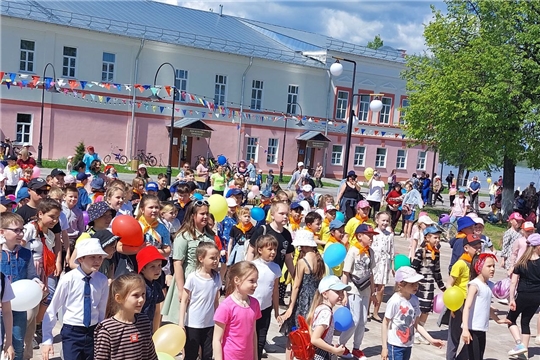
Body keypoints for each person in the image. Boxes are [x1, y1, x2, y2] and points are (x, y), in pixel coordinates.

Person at [41, 238, 109, 360]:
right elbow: (53, 309)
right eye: (92, 257)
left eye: (99, 257)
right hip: (72, 331)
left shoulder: (102, 280)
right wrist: (47, 339)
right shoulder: (68, 279)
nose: (97, 261)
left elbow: (101, 308)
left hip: (93, 331)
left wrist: (101, 330)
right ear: (81, 259)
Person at [161, 200, 214, 323]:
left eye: (207, 213)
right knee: (185, 319)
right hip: (188, 279)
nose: (205, 216)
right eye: (202, 214)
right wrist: (181, 290)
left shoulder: (210, 236)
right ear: (192, 215)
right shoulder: (184, 236)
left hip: (205, 279)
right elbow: (178, 263)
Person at [1, 213, 42, 360]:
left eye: (21, 230)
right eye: (15, 230)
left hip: (19, 306)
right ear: (2, 232)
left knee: (18, 344)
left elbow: (32, 275)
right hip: (1, 307)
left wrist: (37, 282)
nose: (20, 234)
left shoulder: (26, 253)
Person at [278, 230, 324, 360]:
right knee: (309, 334)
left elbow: (296, 286)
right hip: (316, 299)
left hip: (303, 300)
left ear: (303, 246)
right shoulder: (319, 259)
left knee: (294, 335)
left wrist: (290, 307)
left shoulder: (302, 262)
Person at [381, 266, 444, 360]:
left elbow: (416, 324)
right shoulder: (394, 301)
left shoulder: (414, 300)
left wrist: (431, 340)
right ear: (400, 285)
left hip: (408, 344)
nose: (416, 286)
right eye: (412, 284)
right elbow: (385, 323)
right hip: (395, 345)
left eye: (417, 283)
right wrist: (384, 347)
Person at [93, 273, 158, 360]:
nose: (142, 299)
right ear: (119, 298)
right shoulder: (107, 330)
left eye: (143, 294)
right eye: (136, 295)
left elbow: (151, 355)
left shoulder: (144, 322)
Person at [339, 224, 380, 360]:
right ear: (359, 236)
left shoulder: (370, 252)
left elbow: (371, 273)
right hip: (353, 289)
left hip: (366, 290)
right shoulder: (353, 251)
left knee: (363, 320)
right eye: (369, 236)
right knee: (354, 319)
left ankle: (357, 347)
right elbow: (345, 273)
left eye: (373, 236)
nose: (371, 238)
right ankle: (341, 345)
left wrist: (373, 292)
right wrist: (344, 292)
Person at [246, 201, 295, 307]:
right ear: (272, 215)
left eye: (287, 214)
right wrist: (247, 270)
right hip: (258, 275)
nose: (285, 217)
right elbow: (250, 250)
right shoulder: (263, 230)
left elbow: (288, 258)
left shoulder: (287, 234)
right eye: (281, 214)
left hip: (273, 276)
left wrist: (294, 275)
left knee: (267, 305)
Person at [461, 253, 509, 360]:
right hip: (473, 328)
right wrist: (465, 329)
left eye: (493, 266)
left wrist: (498, 320)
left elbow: (487, 306)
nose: (492, 269)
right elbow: (467, 307)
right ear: (479, 267)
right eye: (489, 266)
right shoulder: (475, 285)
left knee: (477, 356)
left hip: (481, 329)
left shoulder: (488, 285)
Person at [178, 242, 221, 360]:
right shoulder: (193, 277)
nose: (216, 261)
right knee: (191, 354)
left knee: (207, 354)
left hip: (210, 324)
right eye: (212, 258)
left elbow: (216, 301)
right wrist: (181, 322)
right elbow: (184, 300)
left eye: (217, 258)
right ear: (201, 258)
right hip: (193, 323)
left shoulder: (217, 277)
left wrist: (218, 319)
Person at [213, 261, 261, 360]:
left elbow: (253, 333)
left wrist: (255, 357)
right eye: (251, 281)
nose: (255, 285)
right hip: (230, 356)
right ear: (237, 280)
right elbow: (217, 339)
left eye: (256, 281)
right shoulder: (226, 307)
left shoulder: (255, 304)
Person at [445, 234, 482, 360]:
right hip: (460, 302)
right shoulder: (460, 264)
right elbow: (449, 284)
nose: (478, 249)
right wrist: (452, 306)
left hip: (472, 302)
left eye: (480, 246)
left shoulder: (478, 264)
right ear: (466, 248)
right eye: (475, 247)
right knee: (454, 335)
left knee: (473, 334)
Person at [410, 226, 446, 345]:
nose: (437, 240)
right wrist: (412, 284)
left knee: (426, 310)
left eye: (438, 238)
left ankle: (420, 332)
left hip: (429, 287)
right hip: (419, 286)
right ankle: (412, 332)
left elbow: (437, 271)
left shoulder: (436, 253)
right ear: (427, 238)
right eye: (435, 237)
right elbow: (413, 268)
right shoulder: (421, 252)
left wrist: (442, 287)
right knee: (416, 310)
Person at [251, 235, 281, 360]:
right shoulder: (252, 265)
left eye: (275, 249)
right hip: (250, 308)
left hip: (265, 309)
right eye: (269, 249)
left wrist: (277, 311)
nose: (273, 252)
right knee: (248, 337)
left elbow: (275, 290)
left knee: (261, 338)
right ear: (259, 250)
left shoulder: (276, 268)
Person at [308, 275, 350, 359]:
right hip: (320, 355)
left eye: (342, 292)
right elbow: (315, 339)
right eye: (337, 292)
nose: (341, 295)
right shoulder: (326, 312)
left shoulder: (321, 308)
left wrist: (330, 345)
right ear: (325, 294)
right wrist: (334, 350)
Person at [136, 246, 166, 333]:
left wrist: (155, 331)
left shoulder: (157, 286)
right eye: (152, 266)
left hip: (149, 328)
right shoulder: (137, 286)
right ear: (143, 269)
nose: (157, 270)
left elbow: (157, 311)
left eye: (159, 265)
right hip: (136, 328)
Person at [371, 212, 394, 322]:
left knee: (381, 288)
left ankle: (376, 312)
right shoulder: (373, 233)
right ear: (377, 221)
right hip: (374, 262)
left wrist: (392, 265)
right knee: (371, 287)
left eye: (387, 221)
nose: (385, 223)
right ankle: (366, 311)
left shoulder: (389, 235)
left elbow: (391, 250)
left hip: (384, 263)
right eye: (383, 220)